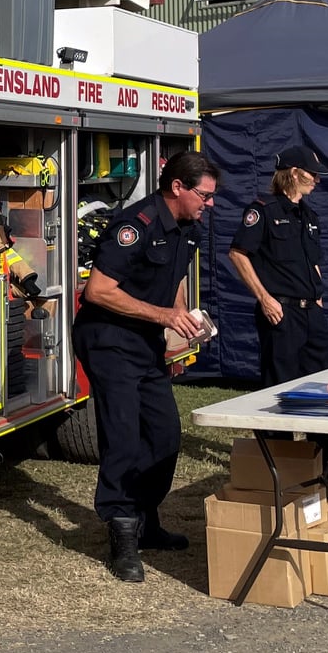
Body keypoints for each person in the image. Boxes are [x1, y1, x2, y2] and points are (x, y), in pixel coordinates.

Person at [73, 150, 219, 582]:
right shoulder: (136, 226)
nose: (209, 204)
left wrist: (184, 317)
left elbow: (171, 280)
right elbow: (98, 292)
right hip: (108, 340)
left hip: (145, 343)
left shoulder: (187, 228)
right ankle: (122, 537)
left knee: (165, 436)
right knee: (123, 438)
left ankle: (145, 520)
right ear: (178, 188)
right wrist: (163, 317)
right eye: (204, 196)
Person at [228, 145, 328, 388]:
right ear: (294, 172)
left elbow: (313, 260)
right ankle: (274, 428)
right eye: (312, 173)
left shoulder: (309, 216)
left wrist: (318, 299)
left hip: (311, 313)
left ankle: (315, 426)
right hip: (281, 311)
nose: (316, 179)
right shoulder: (263, 210)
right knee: (279, 383)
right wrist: (265, 299)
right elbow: (237, 254)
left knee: (320, 380)